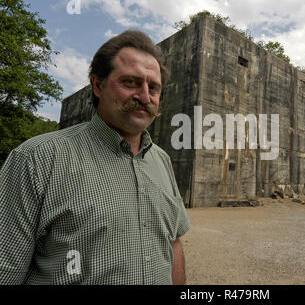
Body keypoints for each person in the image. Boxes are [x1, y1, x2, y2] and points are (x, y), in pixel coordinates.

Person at [0, 30, 190, 284]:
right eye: (131, 82)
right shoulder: (35, 159)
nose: (145, 97)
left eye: (153, 87)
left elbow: (173, 244)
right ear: (98, 85)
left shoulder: (162, 161)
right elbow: (6, 270)